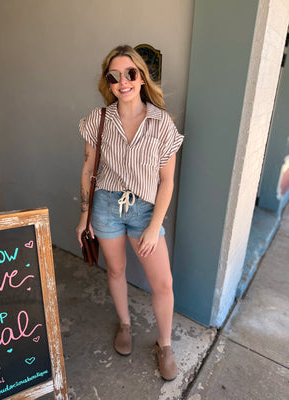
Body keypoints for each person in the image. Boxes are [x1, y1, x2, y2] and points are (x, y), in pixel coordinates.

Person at [76, 44, 183, 381]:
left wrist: (154, 226)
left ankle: (164, 344)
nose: (123, 81)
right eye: (114, 76)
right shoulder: (99, 118)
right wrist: (84, 215)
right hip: (106, 206)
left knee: (162, 284)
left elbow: (166, 181)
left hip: (145, 211)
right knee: (115, 271)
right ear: (108, 82)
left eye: (130, 74)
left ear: (141, 77)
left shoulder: (160, 122)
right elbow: (88, 167)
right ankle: (124, 323)